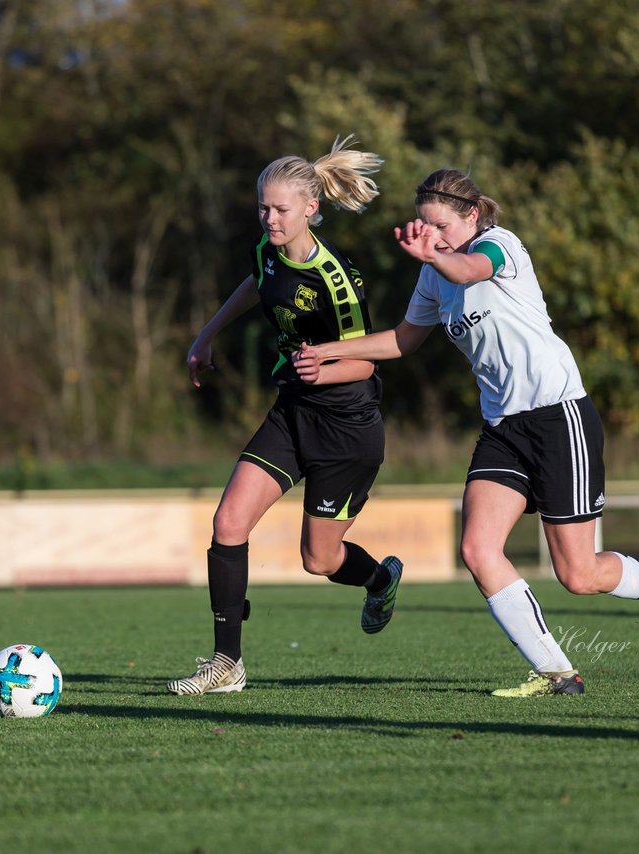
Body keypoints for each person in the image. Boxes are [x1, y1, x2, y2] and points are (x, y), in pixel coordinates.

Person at [292, 168, 639, 697]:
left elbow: (468, 270)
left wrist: (435, 256)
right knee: (478, 548)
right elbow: (402, 341)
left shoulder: (498, 245)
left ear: (472, 215)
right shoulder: (432, 272)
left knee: (578, 576)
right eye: (423, 225)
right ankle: (557, 673)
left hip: (559, 416)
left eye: (439, 224)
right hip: (503, 428)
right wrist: (328, 351)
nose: (431, 234)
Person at [167, 136, 403, 696]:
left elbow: (368, 363)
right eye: (263, 208)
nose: (269, 219)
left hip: (347, 426)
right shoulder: (267, 251)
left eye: (280, 210)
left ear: (311, 210)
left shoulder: (336, 278)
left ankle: (379, 577)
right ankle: (227, 664)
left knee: (318, 560)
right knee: (228, 523)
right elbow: (258, 282)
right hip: (294, 412)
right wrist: (207, 333)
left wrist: (325, 363)